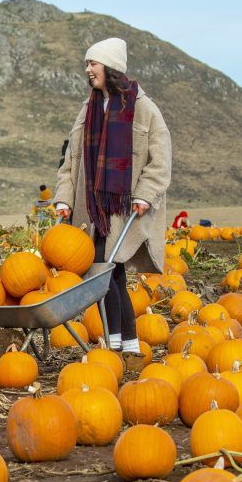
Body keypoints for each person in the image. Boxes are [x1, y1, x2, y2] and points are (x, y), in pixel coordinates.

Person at [54, 37, 171, 367]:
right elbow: (71, 159)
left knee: (109, 267)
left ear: (111, 68)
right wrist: (63, 199)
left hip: (124, 203)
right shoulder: (87, 108)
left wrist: (146, 193)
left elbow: (160, 160)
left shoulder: (144, 109)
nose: (88, 70)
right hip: (92, 203)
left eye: (93, 63)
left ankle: (124, 342)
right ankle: (121, 341)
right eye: (87, 64)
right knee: (106, 269)